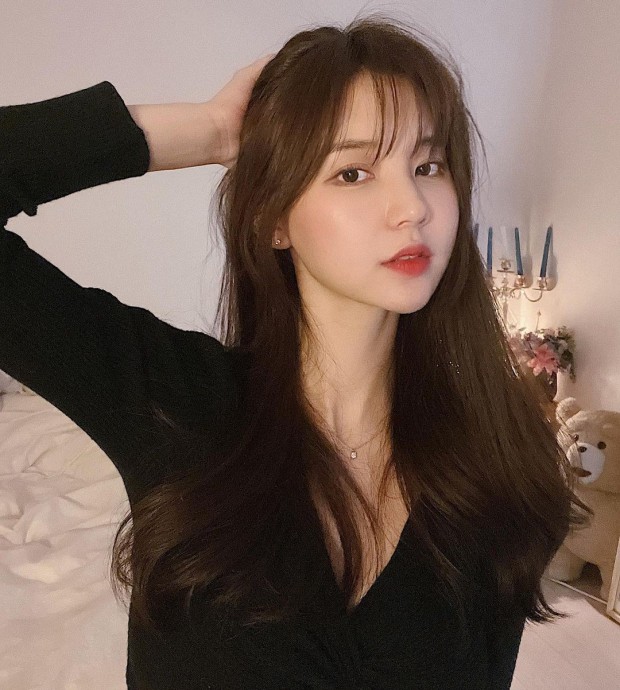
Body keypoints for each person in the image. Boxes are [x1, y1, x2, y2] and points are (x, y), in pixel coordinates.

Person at [0, 14, 591, 690]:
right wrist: (210, 131)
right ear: (273, 218)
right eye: (354, 172)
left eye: (428, 165)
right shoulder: (178, 403)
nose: (412, 207)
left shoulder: (501, 466)